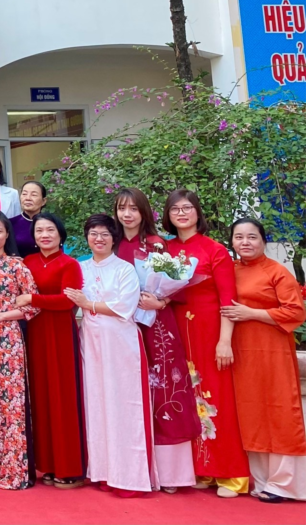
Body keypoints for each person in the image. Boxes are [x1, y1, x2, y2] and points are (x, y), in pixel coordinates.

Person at [163, 189, 250, 496]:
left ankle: (230, 474)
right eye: (175, 209)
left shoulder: (215, 250)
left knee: (217, 397)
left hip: (209, 330)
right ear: (168, 215)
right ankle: (201, 469)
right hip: (175, 333)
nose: (182, 213)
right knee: (185, 398)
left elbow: (228, 299)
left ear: (198, 212)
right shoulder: (164, 250)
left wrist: (225, 341)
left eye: (187, 208)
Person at [112, 187, 199, 492]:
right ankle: (129, 467)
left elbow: (179, 285)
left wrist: (160, 302)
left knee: (164, 391)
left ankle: (172, 474)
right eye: (121, 208)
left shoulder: (157, 244)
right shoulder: (112, 244)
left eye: (133, 208)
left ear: (144, 212)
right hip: (122, 327)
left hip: (156, 325)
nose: (127, 214)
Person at [66, 214, 154, 496]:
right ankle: (101, 471)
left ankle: (129, 476)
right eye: (93, 233)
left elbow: (125, 306)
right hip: (90, 342)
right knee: (95, 403)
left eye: (105, 234)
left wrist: (88, 303)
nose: (99, 238)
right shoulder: (80, 268)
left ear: (114, 238)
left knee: (122, 405)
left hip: (120, 344)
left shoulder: (125, 269)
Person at [224, 218, 306, 503]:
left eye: (252, 237)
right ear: (232, 242)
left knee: (279, 411)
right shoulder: (229, 270)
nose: (245, 242)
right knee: (251, 412)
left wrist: (253, 314)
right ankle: (260, 480)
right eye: (239, 237)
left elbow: (296, 312)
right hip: (242, 354)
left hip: (272, 352)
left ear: (263, 240)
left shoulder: (277, 272)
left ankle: (284, 484)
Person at [18, 214, 86, 487]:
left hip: (59, 335)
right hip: (34, 333)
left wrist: (32, 298)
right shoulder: (28, 262)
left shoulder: (69, 264)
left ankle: (69, 468)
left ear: (60, 234)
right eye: (39, 230)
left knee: (63, 397)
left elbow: (67, 301)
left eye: (50, 230)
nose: (44, 235)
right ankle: (46, 464)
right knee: (41, 397)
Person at [0, 215, 38, 490]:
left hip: (8, 339)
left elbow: (33, 305)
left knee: (11, 402)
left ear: (6, 234)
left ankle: (15, 470)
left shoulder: (17, 266)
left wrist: (2, 315)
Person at [11, 181, 57, 257]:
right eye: (24, 194)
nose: (28, 198)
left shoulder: (52, 223)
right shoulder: (10, 223)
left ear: (43, 201)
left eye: (34, 195)